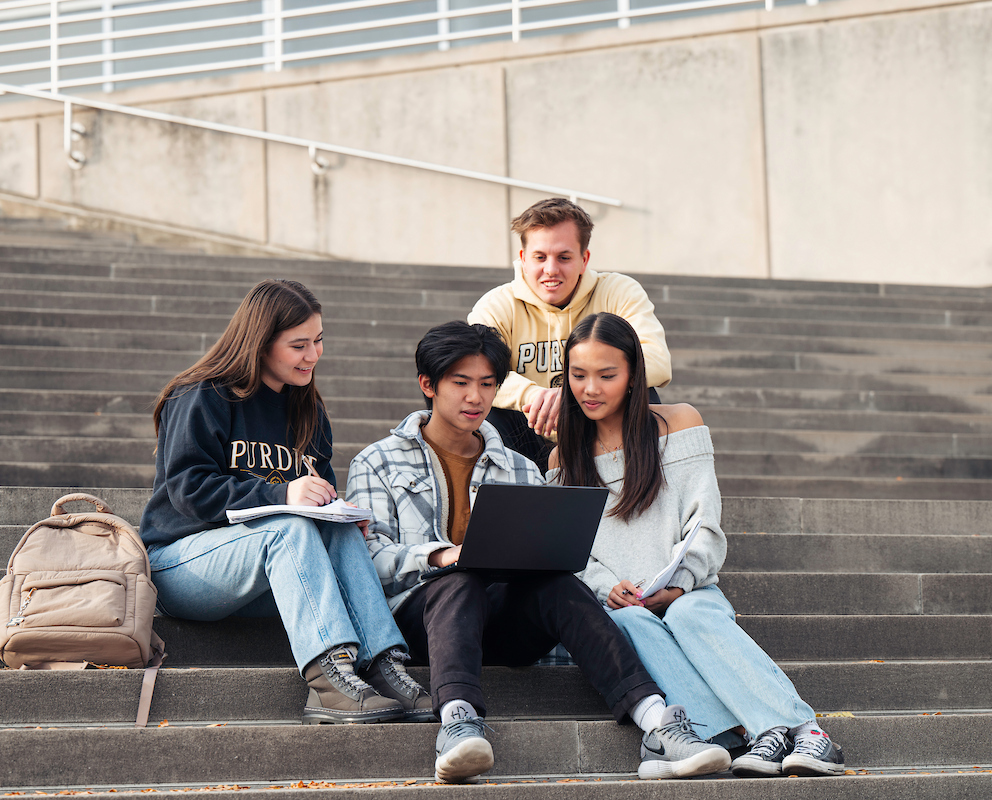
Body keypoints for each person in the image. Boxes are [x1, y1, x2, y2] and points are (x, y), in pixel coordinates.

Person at [346, 320, 731, 783]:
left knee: (559, 582)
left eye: (488, 385)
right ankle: (458, 722)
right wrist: (443, 556)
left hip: (502, 621)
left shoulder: (518, 467)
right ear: (428, 385)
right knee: (460, 579)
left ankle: (657, 722)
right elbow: (368, 562)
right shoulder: (377, 461)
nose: (476, 398)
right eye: (461, 384)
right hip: (418, 622)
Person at [548, 311, 846, 778]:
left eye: (606, 375)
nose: (590, 388)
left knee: (688, 612)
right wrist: (606, 586)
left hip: (689, 590)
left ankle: (805, 730)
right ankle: (748, 736)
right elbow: (573, 551)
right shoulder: (563, 457)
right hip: (627, 604)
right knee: (629, 621)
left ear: (632, 376)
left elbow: (705, 523)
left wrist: (682, 582)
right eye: (578, 375)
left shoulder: (677, 424)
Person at [139, 279, 434, 725]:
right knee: (289, 527)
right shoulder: (203, 394)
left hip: (272, 573)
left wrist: (338, 513)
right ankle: (328, 679)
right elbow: (188, 489)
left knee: (330, 528)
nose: (313, 355)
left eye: (318, 341)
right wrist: (283, 494)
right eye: (298, 345)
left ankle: (384, 667)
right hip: (182, 564)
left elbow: (319, 498)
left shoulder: (308, 411)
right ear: (260, 344)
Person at [467, 197, 672, 471]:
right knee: (484, 405)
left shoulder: (618, 291)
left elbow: (656, 360)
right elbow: (473, 369)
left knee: (645, 392)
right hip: (529, 431)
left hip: (599, 427)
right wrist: (534, 396)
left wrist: (571, 395)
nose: (551, 269)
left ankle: (643, 491)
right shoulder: (497, 305)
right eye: (540, 257)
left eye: (564, 257)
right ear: (523, 259)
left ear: (584, 259)